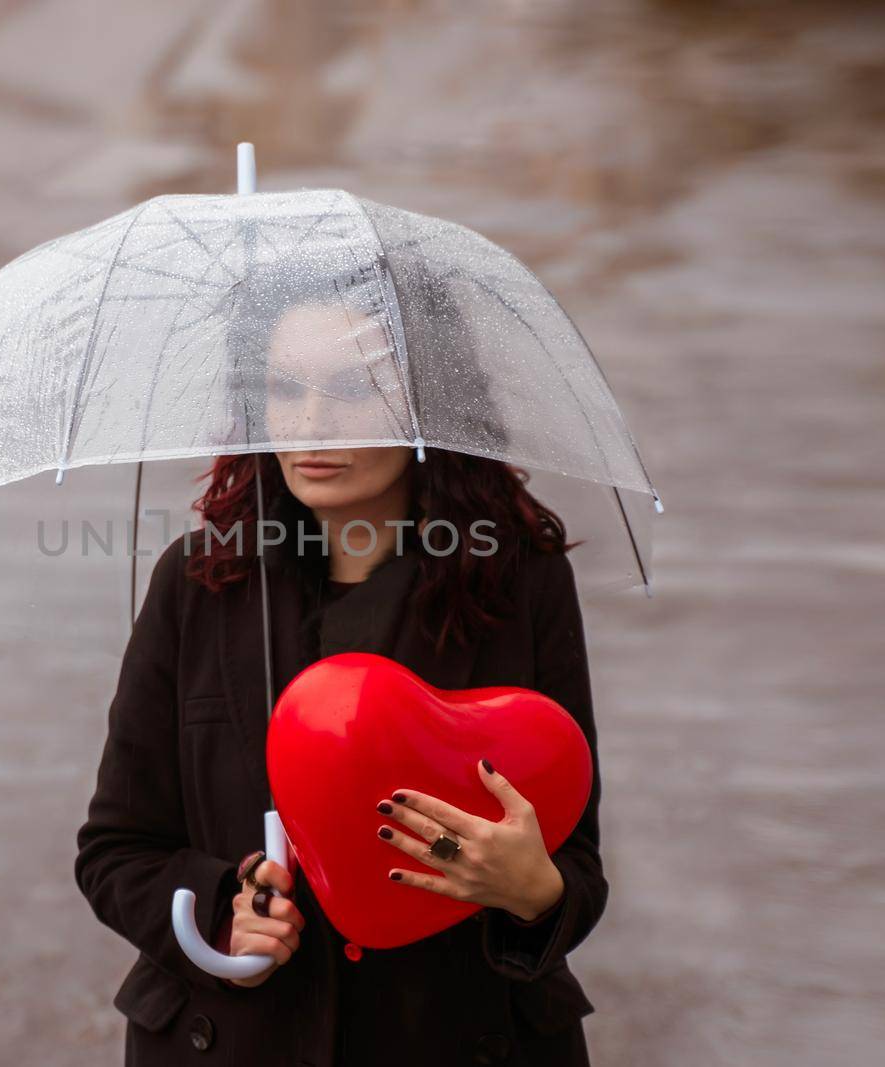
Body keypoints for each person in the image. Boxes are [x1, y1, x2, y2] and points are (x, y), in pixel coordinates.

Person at [75, 254, 606, 1066]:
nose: (311, 424)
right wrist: (224, 906)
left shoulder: (518, 577)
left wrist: (533, 893)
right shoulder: (200, 582)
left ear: (430, 400)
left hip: (457, 1037)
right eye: (284, 389)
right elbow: (117, 850)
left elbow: (576, 861)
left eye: (353, 387)